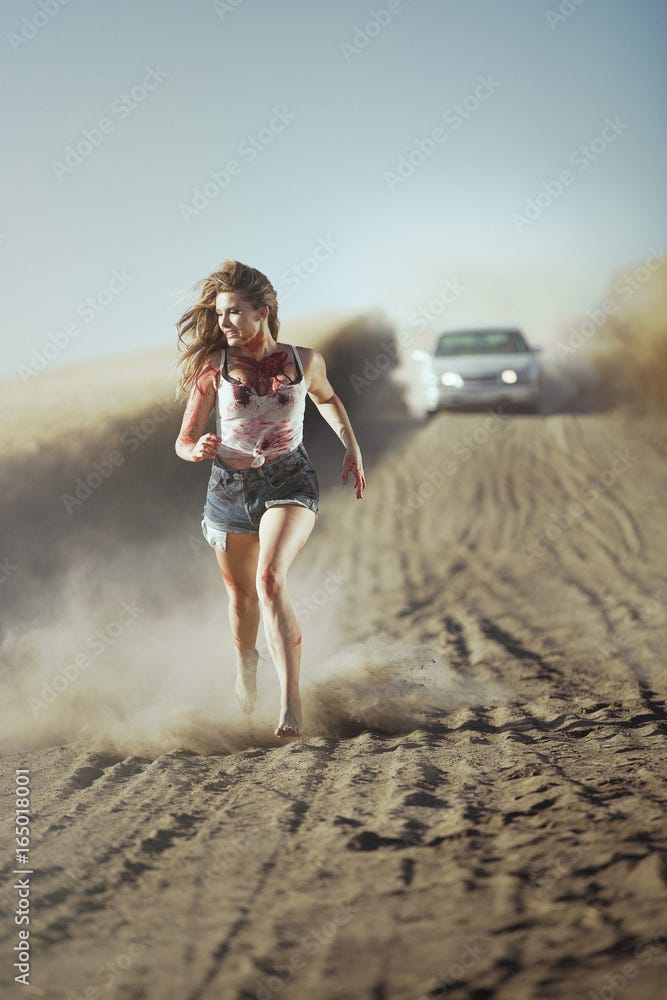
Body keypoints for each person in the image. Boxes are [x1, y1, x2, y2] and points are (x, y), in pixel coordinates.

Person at [175, 260, 366, 737]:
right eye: (220, 314)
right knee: (241, 601)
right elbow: (184, 439)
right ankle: (246, 661)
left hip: (289, 482)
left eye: (235, 313)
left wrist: (352, 447)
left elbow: (326, 398)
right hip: (227, 490)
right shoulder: (212, 369)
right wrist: (195, 449)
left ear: (262, 313)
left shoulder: (304, 360)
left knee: (270, 580)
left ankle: (291, 705)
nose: (224, 323)